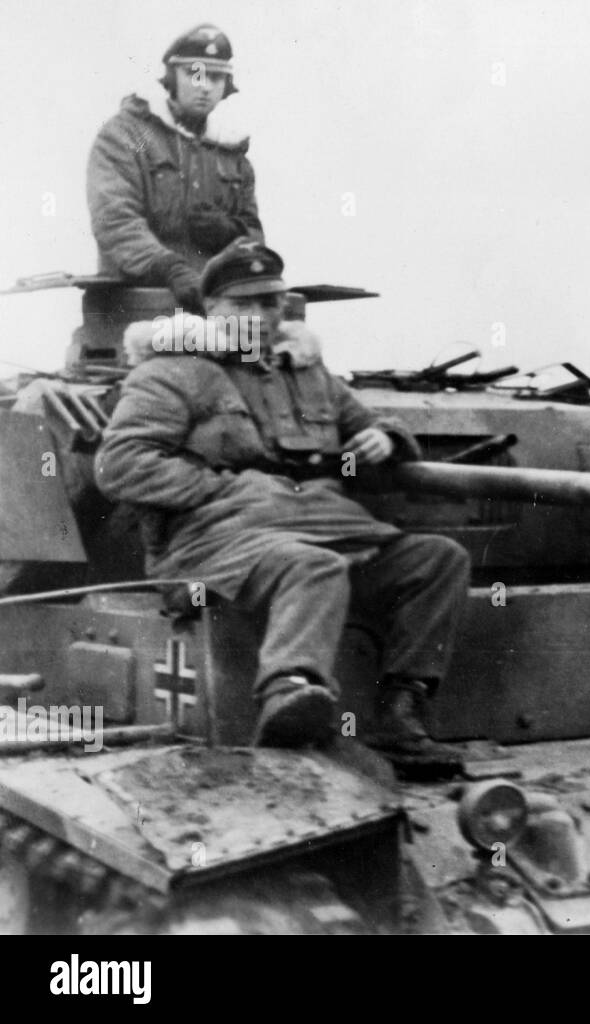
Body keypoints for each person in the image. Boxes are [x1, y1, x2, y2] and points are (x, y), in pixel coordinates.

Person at [94, 239, 471, 773]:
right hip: (210, 544)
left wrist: (383, 439)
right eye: (244, 305)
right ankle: (289, 695)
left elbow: (366, 427)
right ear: (211, 311)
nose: (261, 316)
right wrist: (222, 490)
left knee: (437, 560)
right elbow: (121, 464)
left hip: (319, 526)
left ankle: (401, 714)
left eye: (271, 302)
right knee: (312, 564)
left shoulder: (307, 373)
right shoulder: (173, 372)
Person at [87, 24, 263, 314]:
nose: (204, 86)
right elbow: (114, 220)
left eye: (215, 77)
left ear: (226, 85)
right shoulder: (126, 136)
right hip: (135, 311)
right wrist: (169, 268)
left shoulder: (232, 154)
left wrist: (231, 232)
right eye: (194, 74)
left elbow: (254, 238)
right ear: (171, 78)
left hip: (215, 312)